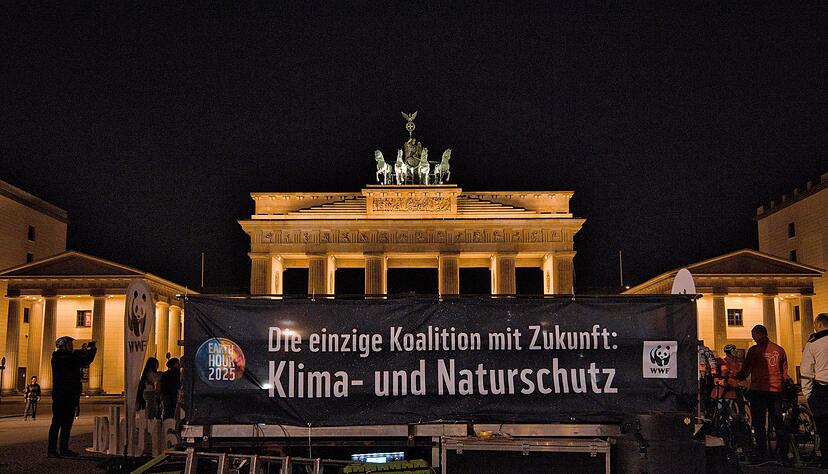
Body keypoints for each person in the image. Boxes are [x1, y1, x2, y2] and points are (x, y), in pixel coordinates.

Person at [736, 324, 789, 463]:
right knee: (778, 422)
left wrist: (738, 377)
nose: (753, 339)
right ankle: (784, 455)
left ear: (757, 334)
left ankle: (761, 454)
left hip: (759, 389)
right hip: (776, 390)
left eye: (754, 336)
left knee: (759, 423)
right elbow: (784, 372)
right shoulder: (779, 350)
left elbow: (746, 369)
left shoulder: (754, 350)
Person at [48, 336, 96, 457]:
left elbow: (79, 359)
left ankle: (63, 449)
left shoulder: (65, 357)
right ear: (63, 346)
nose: (72, 346)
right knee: (58, 423)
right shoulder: (59, 358)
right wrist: (89, 351)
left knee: (67, 423)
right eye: (69, 344)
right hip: (62, 395)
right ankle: (52, 450)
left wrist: (86, 351)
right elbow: (82, 361)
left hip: (69, 394)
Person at [801, 313, 828, 469]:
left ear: (818, 325)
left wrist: (808, 393)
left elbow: (806, 371)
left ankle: (826, 460)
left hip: (822, 389)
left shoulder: (813, 343)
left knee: (824, 429)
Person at [710, 344, 743, 410]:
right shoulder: (724, 362)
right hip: (728, 386)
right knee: (726, 406)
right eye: (734, 350)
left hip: (732, 386)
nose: (736, 352)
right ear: (730, 352)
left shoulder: (736, 362)